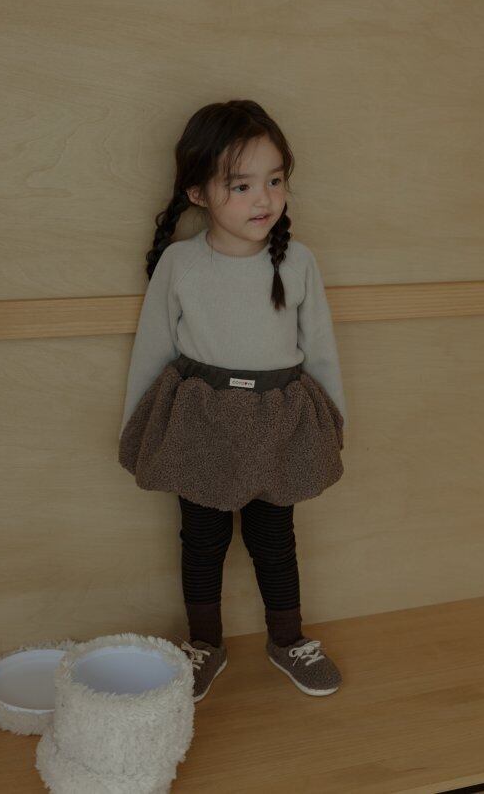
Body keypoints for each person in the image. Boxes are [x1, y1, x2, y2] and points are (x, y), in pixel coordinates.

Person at [118, 99, 347, 702]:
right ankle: (205, 644)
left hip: (280, 420)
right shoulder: (180, 263)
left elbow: (320, 348)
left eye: (275, 180)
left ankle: (287, 639)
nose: (263, 199)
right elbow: (152, 348)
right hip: (201, 421)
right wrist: (137, 430)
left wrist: (333, 422)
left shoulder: (299, 261)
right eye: (241, 185)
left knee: (275, 539)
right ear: (198, 192)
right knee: (202, 540)